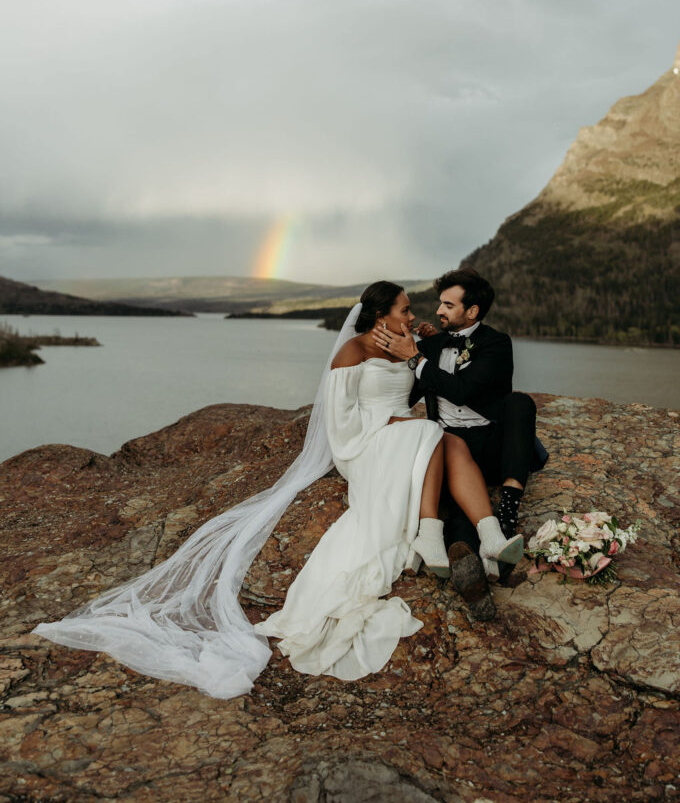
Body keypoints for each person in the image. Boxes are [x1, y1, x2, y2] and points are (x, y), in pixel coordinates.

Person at [32, 281, 521, 697]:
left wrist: (418, 347)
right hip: (366, 446)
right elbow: (338, 424)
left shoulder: (408, 342)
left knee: (447, 440)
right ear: (379, 316)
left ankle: (490, 536)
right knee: (433, 434)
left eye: (415, 311)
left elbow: (424, 377)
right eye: (404, 310)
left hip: (401, 433)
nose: (415, 316)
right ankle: (434, 533)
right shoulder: (352, 351)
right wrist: (387, 425)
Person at [372, 267, 547, 601]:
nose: (439, 311)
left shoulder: (497, 344)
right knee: (461, 521)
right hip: (451, 451)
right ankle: (473, 574)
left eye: (448, 305)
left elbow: (462, 390)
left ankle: (508, 511)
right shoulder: (432, 345)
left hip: (492, 447)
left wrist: (416, 360)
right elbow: (404, 397)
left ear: (472, 312)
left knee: (520, 404)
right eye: (440, 303)